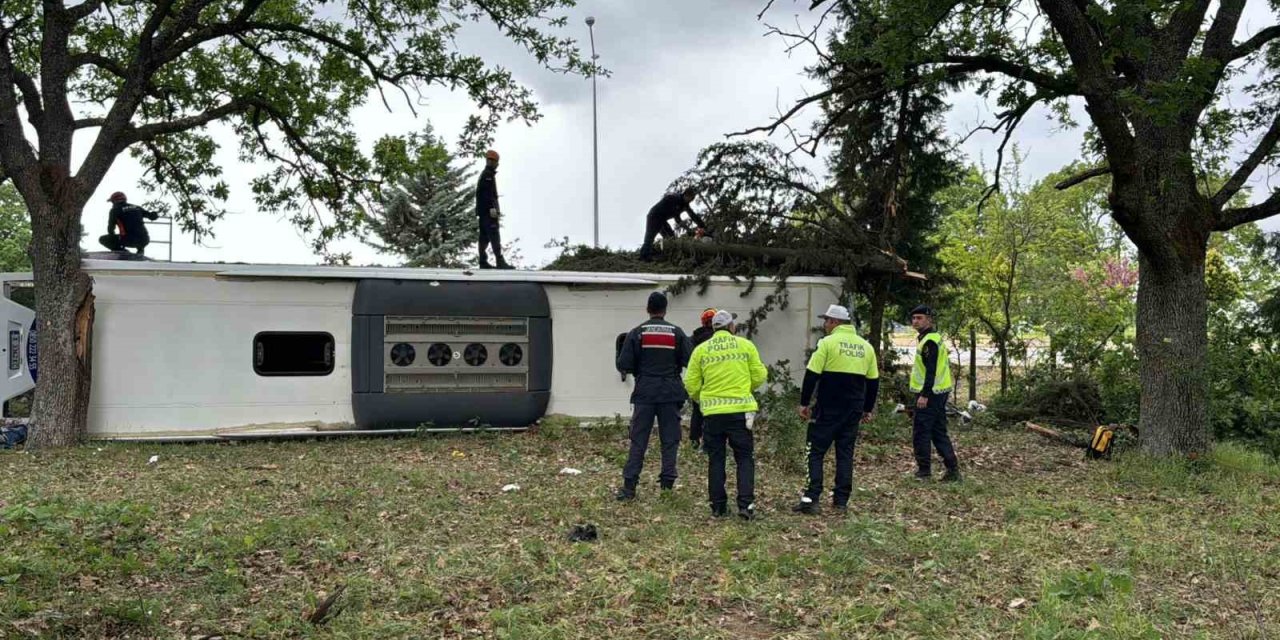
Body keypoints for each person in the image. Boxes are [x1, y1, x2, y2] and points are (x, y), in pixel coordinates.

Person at [793, 304, 880, 515]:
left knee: (814, 452)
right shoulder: (866, 347)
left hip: (828, 408)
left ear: (834, 322)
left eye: (826, 321)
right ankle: (841, 500)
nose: (824, 325)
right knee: (845, 453)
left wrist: (804, 403)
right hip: (853, 409)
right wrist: (867, 409)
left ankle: (811, 498)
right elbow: (874, 381)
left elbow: (812, 374)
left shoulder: (827, 343)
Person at [684, 309, 767, 520]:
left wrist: (702, 400)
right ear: (732, 327)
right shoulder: (746, 346)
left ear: (713, 328)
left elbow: (691, 383)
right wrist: (745, 387)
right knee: (744, 458)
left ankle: (718, 507)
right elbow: (759, 375)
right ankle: (745, 505)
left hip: (713, 415)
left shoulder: (701, 350)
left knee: (716, 458)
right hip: (740, 413)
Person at [615, 291, 692, 501]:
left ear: (648, 309)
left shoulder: (637, 333)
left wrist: (640, 370)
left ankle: (629, 488)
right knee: (670, 440)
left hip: (645, 393)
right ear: (665, 309)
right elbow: (690, 360)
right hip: (670, 392)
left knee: (638, 440)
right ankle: (667, 487)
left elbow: (623, 364)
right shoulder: (677, 333)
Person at [909, 305, 961, 482]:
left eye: (919, 318)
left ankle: (924, 471)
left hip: (930, 393)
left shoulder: (929, 341)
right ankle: (952, 469)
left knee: (921, 431)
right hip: (939, 391)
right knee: (938, 431)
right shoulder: (932, 338)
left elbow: (931, 370)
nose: (915, 321)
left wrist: (924, 394)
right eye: (914, 318)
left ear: (929, 320)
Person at [639, 187, 706, 261]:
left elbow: (692, 215)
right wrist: (688, 229)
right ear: (686, 195)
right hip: (654, 216)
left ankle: (663, 253)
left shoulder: (684, 204)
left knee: (671, 237)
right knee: (650, 236)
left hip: (662, 219)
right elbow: (677, 218)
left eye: (692, 199)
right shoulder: (674, 198)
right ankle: (644, 256)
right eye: (691, 198)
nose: (691, 201)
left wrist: (702, 225)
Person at [475, 149, 512, 269]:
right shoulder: (487, 175)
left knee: (484, 237)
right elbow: (487, 194)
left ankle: (482, 261)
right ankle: (499, 261)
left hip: (483, 213)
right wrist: (492, 208)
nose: (493, 163)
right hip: (488, 213)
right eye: (492, 161)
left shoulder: (486, 174)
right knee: (494, 235)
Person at [687, 307, 717, 448]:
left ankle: (694, 439)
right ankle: (708, 442)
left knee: (697, 412)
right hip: (715, 379)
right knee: (712, 412)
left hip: (699, 381)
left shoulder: (693, 339)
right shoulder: (717, 339)